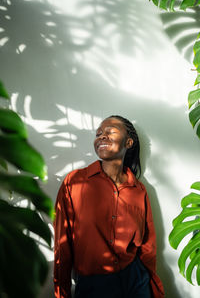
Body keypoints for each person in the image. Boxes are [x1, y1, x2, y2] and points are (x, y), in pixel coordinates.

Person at [54, 115, 164, 298]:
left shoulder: (139, 190)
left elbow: (148, 246)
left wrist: (156, 291)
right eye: (98, 134)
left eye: (110, 131)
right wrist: (61, 293)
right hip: (93, 286)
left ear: (128, 142)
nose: (101, 137)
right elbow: (62, 244)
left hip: (135, 282)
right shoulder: (74, 182)